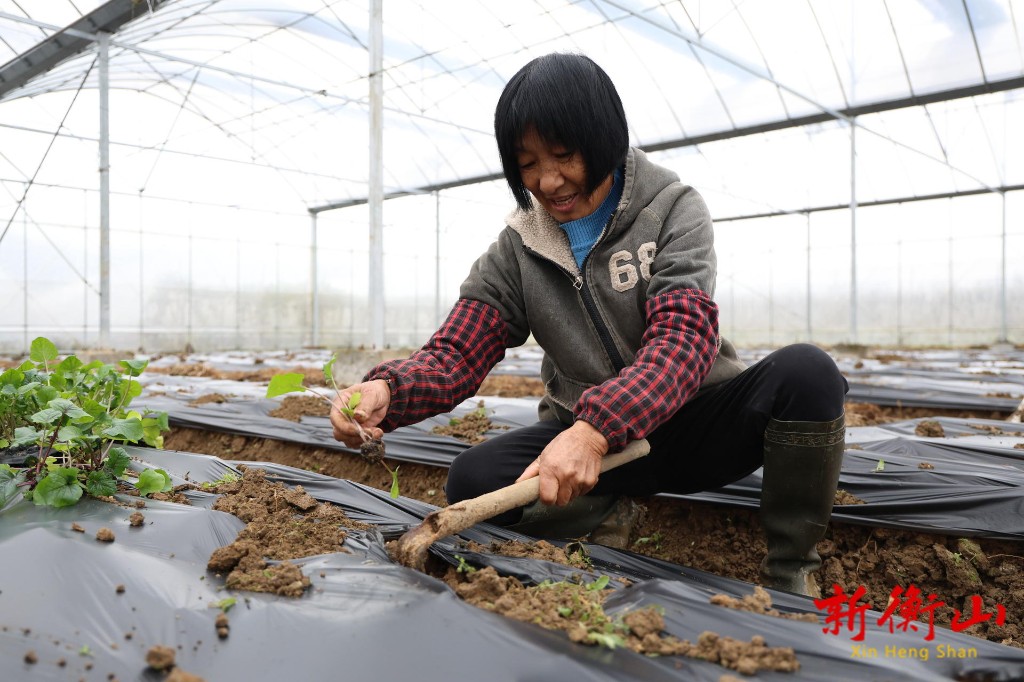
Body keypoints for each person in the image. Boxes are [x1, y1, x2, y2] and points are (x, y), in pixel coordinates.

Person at [330, 52, 848, 598]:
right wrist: (391, 391)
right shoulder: (518, 249)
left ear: (605, 140)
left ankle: (792, 567)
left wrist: (596, 430)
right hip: (597, 456)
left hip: (695, 426)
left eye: (564, 155)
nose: (548, 180)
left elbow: (684, 339)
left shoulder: (672, 210)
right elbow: (459, 351)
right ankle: (608, 513)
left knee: (806, 373)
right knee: (473, 479)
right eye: (527, 163)